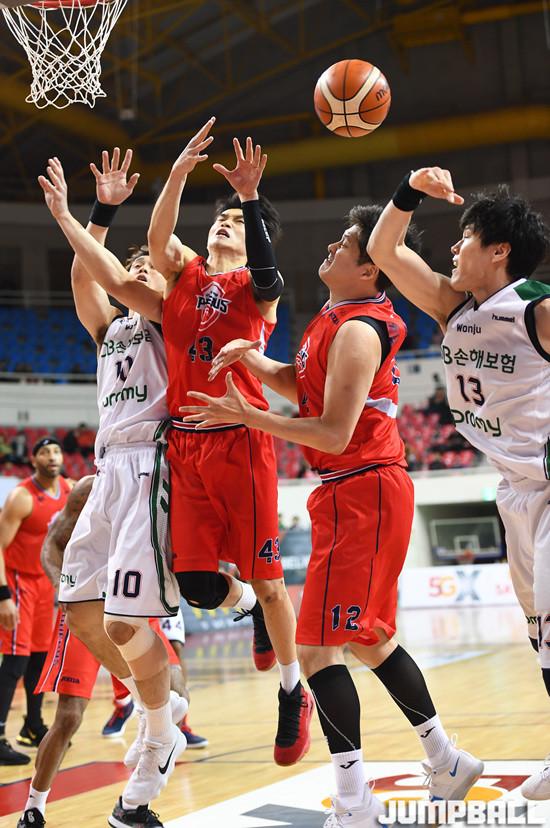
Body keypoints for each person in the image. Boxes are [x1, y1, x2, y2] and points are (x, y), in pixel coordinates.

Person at [180, 204, 483, 826]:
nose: (331, 248)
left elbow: (334, 432)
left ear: (370, 269)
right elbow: (304, 388)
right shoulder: (333, 317)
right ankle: (446, 759)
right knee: (369, 640)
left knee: (317, 650)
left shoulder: (359, 330)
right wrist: (251, 360)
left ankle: (353, 802)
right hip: (353, 491)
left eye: (345, 243)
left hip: (363, 489)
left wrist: (249, 416)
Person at [88, 121, 313, 766]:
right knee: (196, 584)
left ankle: (292, 690)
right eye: (220, 219)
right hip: (184, 450)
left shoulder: (256, 293)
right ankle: (250, 612)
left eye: (235, 224)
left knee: (270, 581)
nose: (224, 226)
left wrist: (250, 199)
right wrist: (180, 171)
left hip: (240, 441)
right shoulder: (183, 275)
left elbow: (267, 277)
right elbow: (159, 237)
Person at [366, 166, 550, 800]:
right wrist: (409, 190)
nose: (453, 246)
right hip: (514, 489)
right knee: (539, 628)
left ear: (498, 250)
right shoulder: (453, 306)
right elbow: (384, 249)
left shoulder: (536, 307)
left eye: (466, 236)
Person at [38, 151, 185, 826]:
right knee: (79, 608)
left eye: (150, 264)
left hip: (151, 464)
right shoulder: (110, 331)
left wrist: (69, 218)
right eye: (135, 264)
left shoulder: (169, 317)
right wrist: (98, 213)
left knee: (126, 618)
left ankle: (160, 727)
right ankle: (157, 706)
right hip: (108, 469)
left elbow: (108, 276)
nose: (139, 270)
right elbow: (83, 275)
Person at [18, 475, 189, 828]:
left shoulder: (165, 479)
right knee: (69, 717)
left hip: (131, 601)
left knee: (175, 691)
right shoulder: (89, 487)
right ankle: (33, 808)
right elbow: (52, 545)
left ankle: (133, 802)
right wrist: (62, 588)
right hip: (86, 601)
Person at [0, 437, 71, 766]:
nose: (51, 456)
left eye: (56, 451)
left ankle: (32, 724)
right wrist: (3, 596)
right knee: (15, 661)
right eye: (44, 452)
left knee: (40, 659)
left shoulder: (70, 491)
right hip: (18, 583)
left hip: (46, 585)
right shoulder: (22, 497)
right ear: (33, 460)